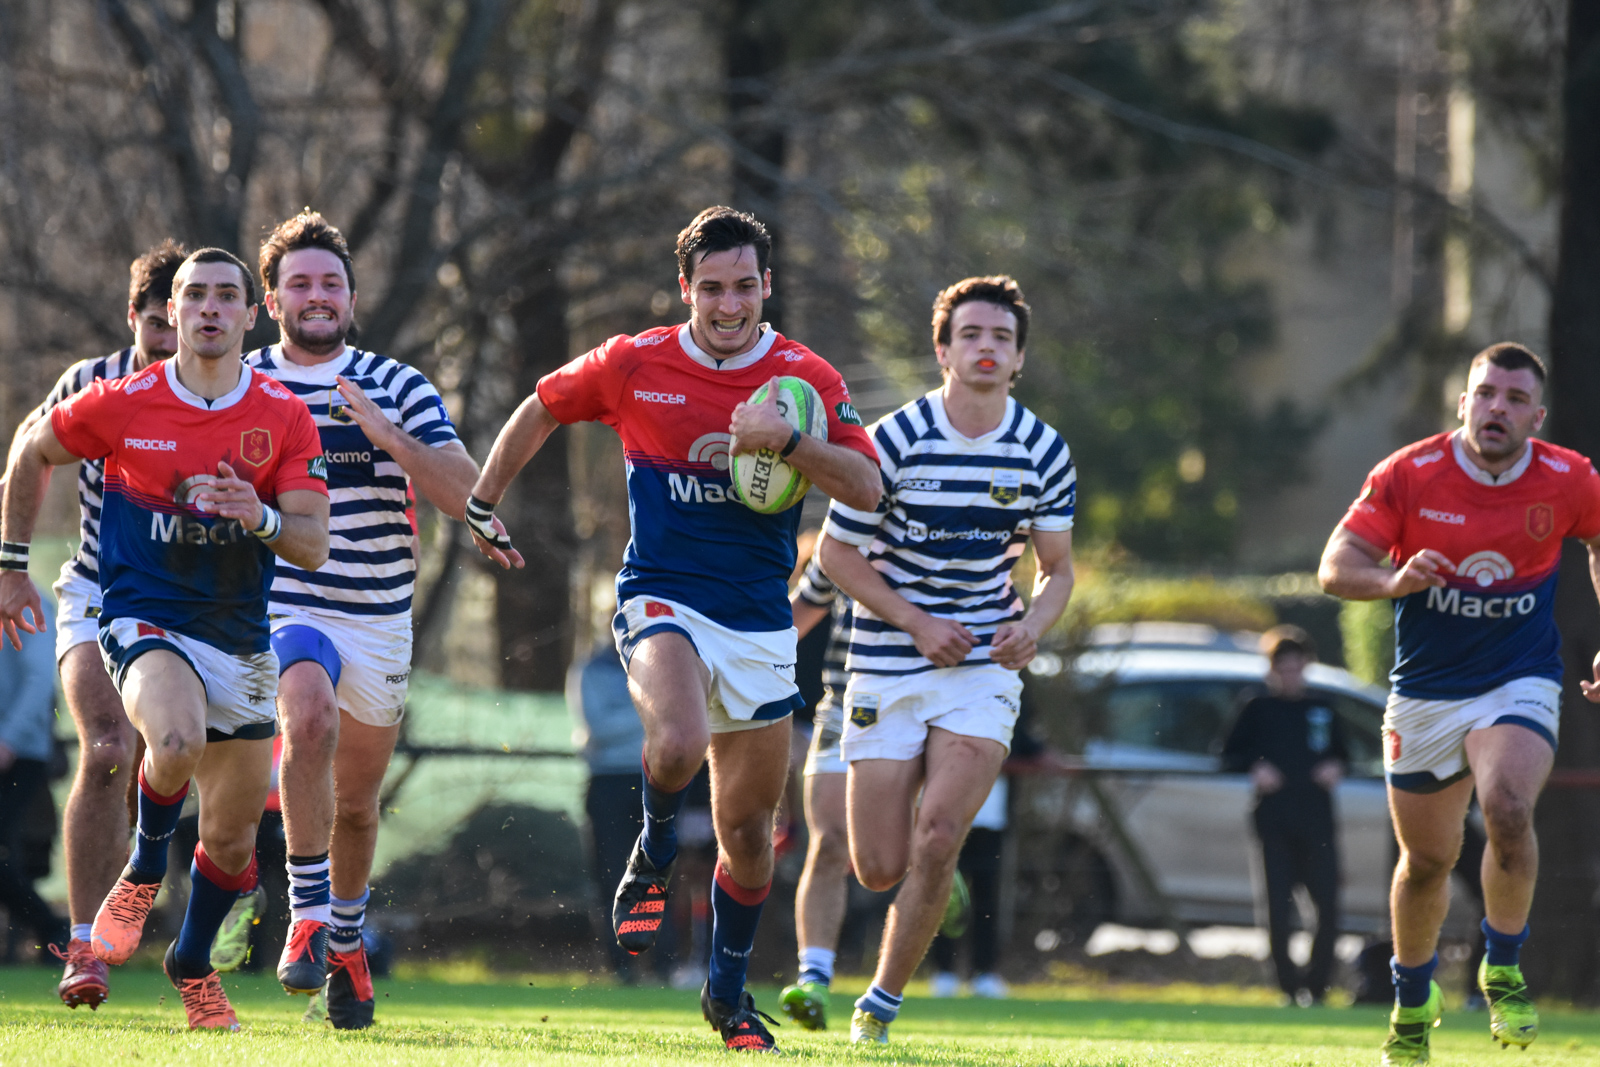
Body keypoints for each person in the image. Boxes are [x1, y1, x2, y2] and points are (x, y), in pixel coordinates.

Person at [464, 206, 881, 1051]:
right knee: (679, 739)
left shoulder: (804, 379)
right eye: (712, 288)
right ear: (685, 287)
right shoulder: (635, 361)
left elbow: (868, 487)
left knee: (749, 837)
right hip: (660, 596)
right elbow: (542, 404)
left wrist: (789, 441)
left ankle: (726, 994)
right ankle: (654, 845)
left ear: (767, 285)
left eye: (745, 287)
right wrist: (481, 499)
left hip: (759, 621)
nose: (730, 305)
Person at [0, 247, 330, 1030]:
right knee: (169, 739)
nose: (210, 308)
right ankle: (144, 866)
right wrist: (11, 564)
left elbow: (313, 543)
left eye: (226, 296)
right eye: (195, 295)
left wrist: (259, 515)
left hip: (239, 635)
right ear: (171, 312)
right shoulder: (121, 400)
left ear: (250, 315)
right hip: (140, 615)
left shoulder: (284, 414)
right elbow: (33, 448)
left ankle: (190, 962)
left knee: (231, 838)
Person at [1317, 342, 1600, 1063]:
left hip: (1519, 676)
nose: (1496, 408)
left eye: (1514, 398)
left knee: (1507, 807)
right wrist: (1393, 582)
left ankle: (1501, 968)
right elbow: (1335, 567)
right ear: (1464, 401)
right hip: (1425, 692)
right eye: (1485, 394)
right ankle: (1413, 1001)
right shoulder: (1410, 474)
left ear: (1537, 416)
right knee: (1426, 862)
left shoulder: (1569, 477)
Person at [817, 275, 1076, 1044]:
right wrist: (917, 622)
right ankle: (934, 884)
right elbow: (835, 553)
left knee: (937, 836)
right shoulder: (892, 440)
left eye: (1001, 337)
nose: (986, 347)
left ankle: (879, 1006)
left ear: (1019, 357)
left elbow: (1058, 569)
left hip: (983, 669)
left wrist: (1032, 625)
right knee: (877, 864)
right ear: (942, 350)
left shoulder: (1042, 449)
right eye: (970, 334)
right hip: (887, 660)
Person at [244, 211, 487, 1027]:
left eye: (331, 283)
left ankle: (346, 939)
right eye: (300, 284)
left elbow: (467, 493)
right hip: (287, 600)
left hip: (377, 614)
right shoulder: (244, 381)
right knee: (306, 715)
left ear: (352, 296)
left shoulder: (398, 384)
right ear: (272, 300)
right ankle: (307, 914)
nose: (316, 296)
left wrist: (386, 435)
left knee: (355, 803)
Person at [3, 240, 187, 1008]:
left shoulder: (239, 388)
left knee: (170, 765)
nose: (169, 341)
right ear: (132, 317)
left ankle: (199, 919)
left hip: (199, 603)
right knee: (108, 747)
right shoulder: (91, 382)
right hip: (98, 590)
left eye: (180, 322)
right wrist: (11, 564)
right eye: (155, 324)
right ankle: (85, 946)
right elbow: (28, 449)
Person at [1220, 625, 1348, 1006]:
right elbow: (1228, 754)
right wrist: (1256, 767)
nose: (1290, 674)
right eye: (1283, 667)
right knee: (1278, 908)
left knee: (1328, 905)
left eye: (1296, 666)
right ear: (1271, 669)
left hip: (1317, 820)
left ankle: (1318, 986)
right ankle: (1287, 988)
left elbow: (1344, 754)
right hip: (1274, 821)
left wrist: (1336, 766)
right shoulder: (1257, 709)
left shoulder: (1322, 708)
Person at [776, 553, 855, 1029]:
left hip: (922, 700)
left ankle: (933, 866)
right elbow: (791, 621)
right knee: (827, 843)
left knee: (886, 859)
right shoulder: (842, 538)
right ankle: (814, 980)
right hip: (844, 705)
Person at [0, 572, 69, 959]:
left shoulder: (28, 601)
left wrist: (8, 739)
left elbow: (40, 679)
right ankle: (54, 931)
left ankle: (56, 931)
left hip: (17, 753)